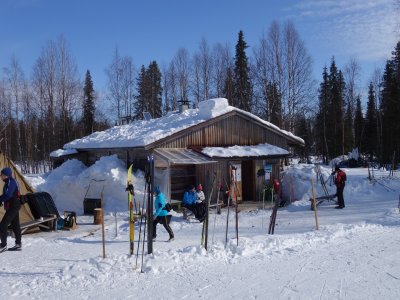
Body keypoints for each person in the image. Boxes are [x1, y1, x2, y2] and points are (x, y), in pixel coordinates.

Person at [0, 167, 22, 252]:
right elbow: (6, 194)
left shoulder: (10, 182)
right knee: (15, 225)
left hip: (13, 205)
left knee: (3, 225)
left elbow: (8, 195)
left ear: (6, 175)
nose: (0, 176)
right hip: (13, 205)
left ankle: (3, 245)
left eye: (1, 175)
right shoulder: (9, 181)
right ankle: (18, 244)